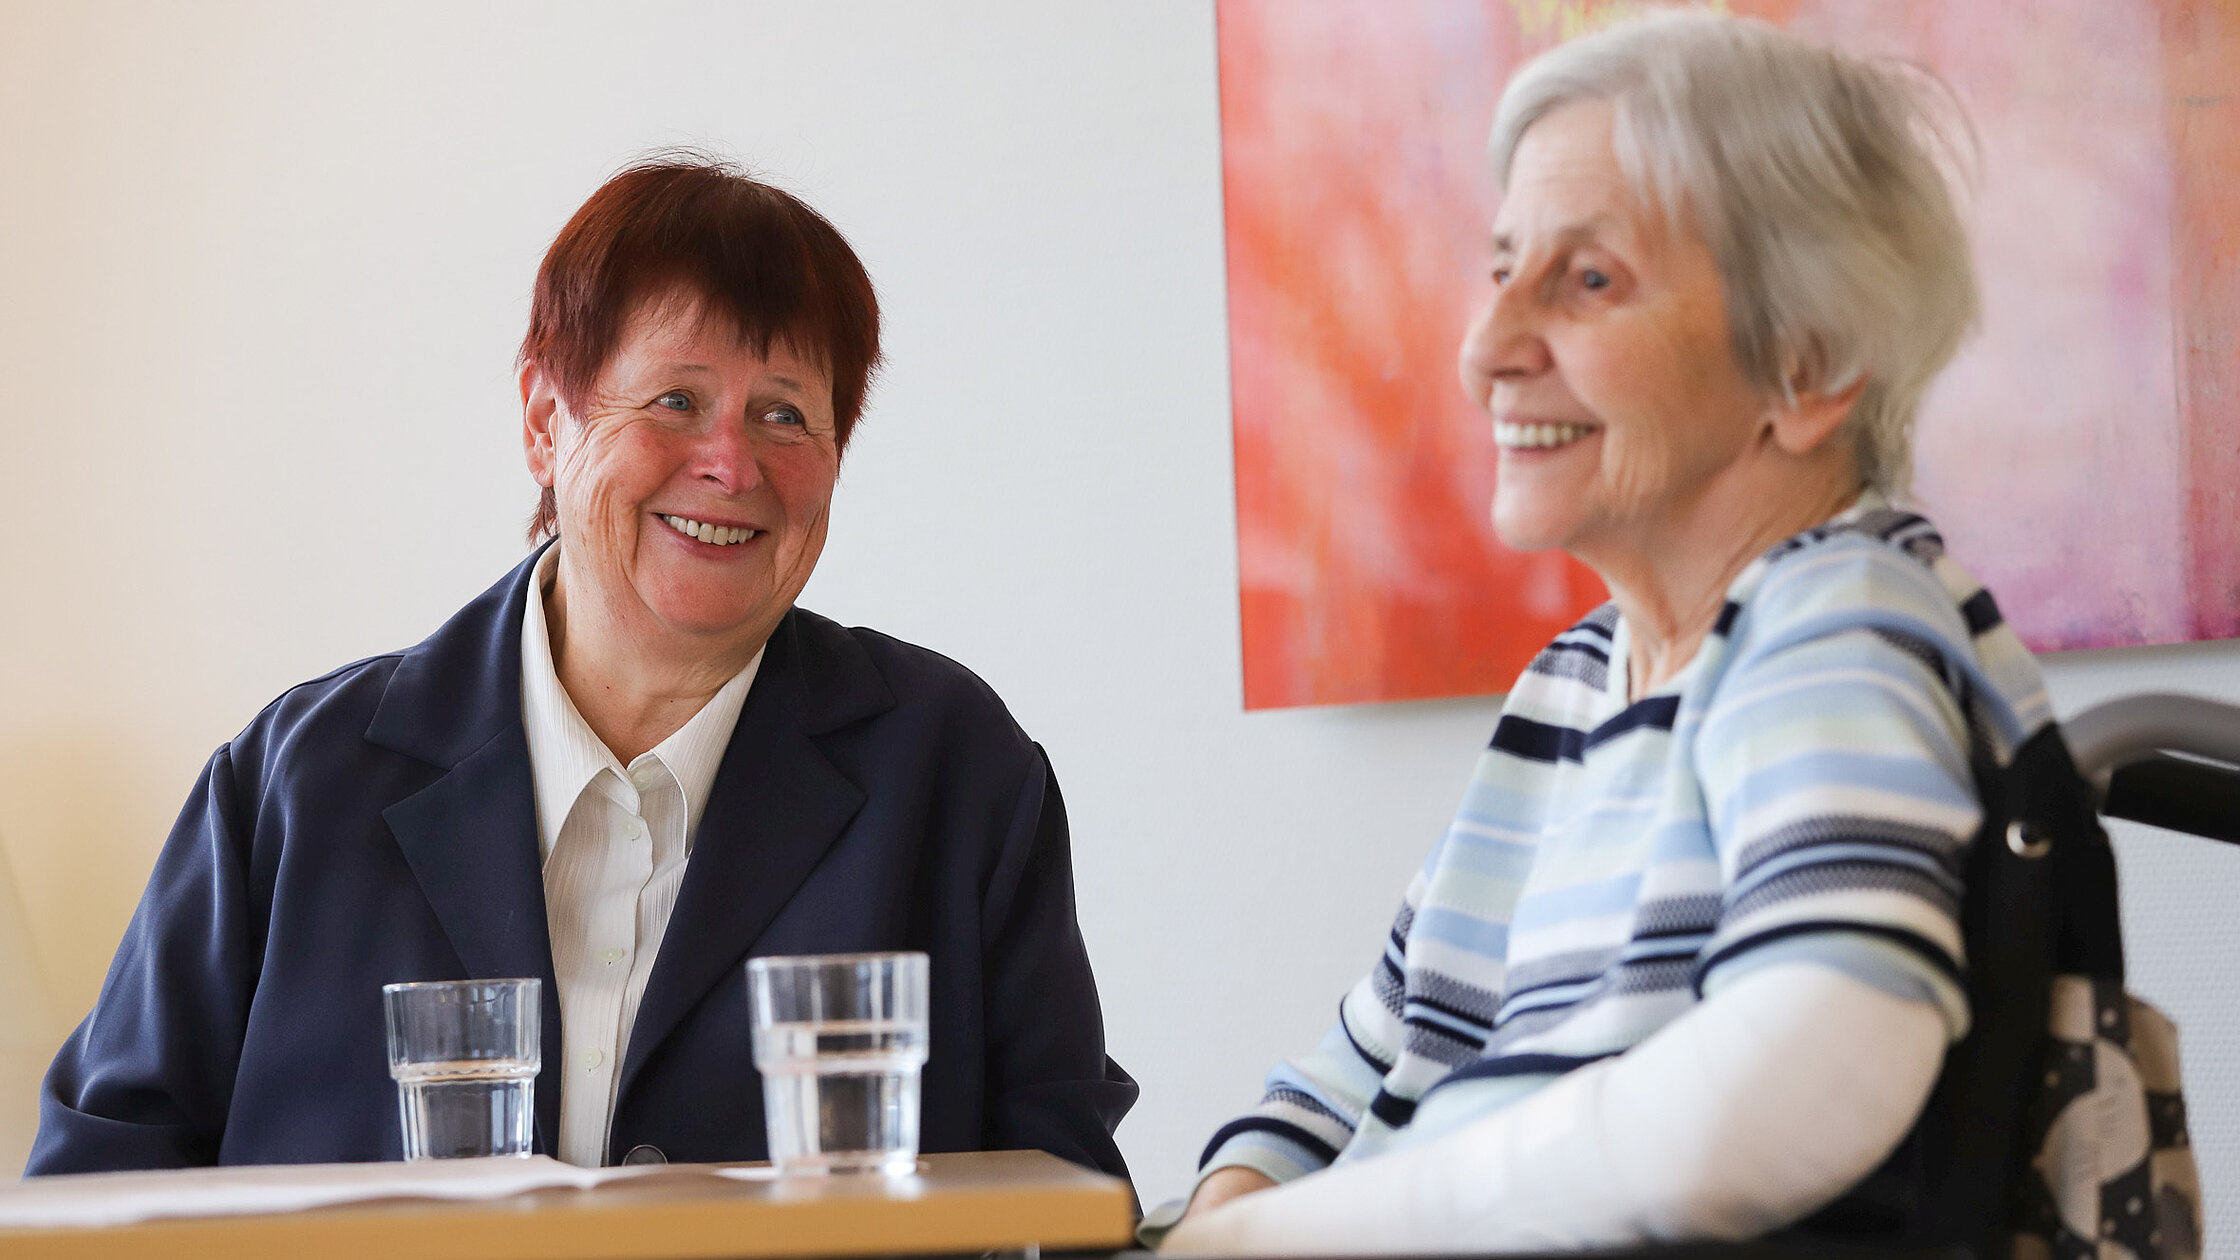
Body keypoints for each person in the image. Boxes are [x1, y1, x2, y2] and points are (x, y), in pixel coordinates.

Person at [29, 156, 1135, 1178]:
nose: (730, 462)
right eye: (675, 400)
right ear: (544, 422)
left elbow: (1065, 1199)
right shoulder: (291, 782)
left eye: (784, 414)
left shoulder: (954, 772)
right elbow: (94, 1189)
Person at [1159, 13, 2052, 1253]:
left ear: (1807, 366)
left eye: (1587, 280)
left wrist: (1282, 1242)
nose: (1484, 351)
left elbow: (1813, 1073)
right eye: (1501, 269)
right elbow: (1360, 1066)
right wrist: (1226, 1216)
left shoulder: (1835, 625)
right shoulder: (1574, 686)